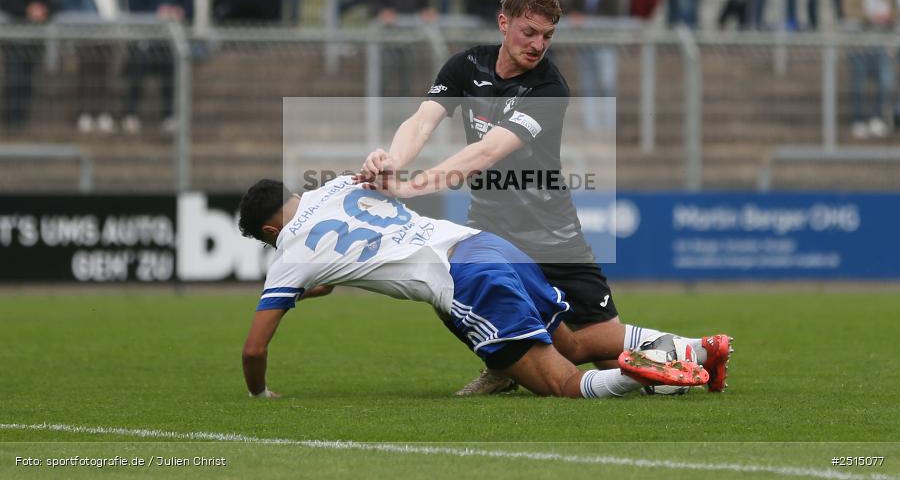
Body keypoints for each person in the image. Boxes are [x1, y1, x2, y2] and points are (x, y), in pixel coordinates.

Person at [357, 0, 732, 395]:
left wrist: (411, 187)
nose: (538, 44)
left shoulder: (548, 88)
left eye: (548, 36)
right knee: (453, 286)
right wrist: (393, 160)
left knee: (595, 350)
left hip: (550, 234)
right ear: (504, 23)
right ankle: (502, 368)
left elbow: (487, 152)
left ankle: (699, 353)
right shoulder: (467, 66)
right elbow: (421, 121)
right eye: (529, 32)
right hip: (492, 226)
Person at [237, 176, 710, 399]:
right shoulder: (340, 184)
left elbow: (254, 351)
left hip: (466, 281)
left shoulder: (289, 252)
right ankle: (699, 352)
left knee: (561, 383)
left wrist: (259, 394)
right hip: (487, 246)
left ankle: (640, 374)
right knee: (572, 341)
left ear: (270, 234)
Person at [123, 0, 188, 134]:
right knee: (137, 74)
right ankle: (131, 113)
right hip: (146, 37)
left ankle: (169, 115)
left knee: (169, 77)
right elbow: (134, 8)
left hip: (169, 38)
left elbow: (187, 4)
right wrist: (155, 14)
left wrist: (178, 12)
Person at [61, 0, 119, 134]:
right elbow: (67, 1)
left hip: (107, 32)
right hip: (86, 32)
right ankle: (85, 112)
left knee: (104, 74)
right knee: (86, 73)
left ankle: (102, 112)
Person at [369, 0, 435, 96]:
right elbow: (374, 2)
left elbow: (423, 1)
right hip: (388, 35)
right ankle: (383, 105)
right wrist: (382, 12)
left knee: (407, 72)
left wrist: (425, 11)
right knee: (386, 72)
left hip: (409, 35)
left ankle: (403, 103)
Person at [844, 0, 894, 140]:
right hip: (860, 45)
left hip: (880, 44)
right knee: (858, 84)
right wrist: (872, 16)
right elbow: (850, 12)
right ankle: (858, 119)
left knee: (885, 82)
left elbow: (894, 12)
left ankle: (877, 117)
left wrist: (888, 16)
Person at [0, 0, 51, 130]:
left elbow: (53, 4)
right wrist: (27, 11)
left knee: (27, 81)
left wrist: (43, 11)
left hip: (33, 43)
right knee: (14, 81)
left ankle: (22, 120)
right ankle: (13, 121)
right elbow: (6, 4)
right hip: (14, 44)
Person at [569, 0, 619, 131]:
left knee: (607, 81)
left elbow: (613, 13)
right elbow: (573, 9)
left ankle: (608, 122)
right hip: (585, 41)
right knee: (588, 82)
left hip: (604, 41)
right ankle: (592, 124)